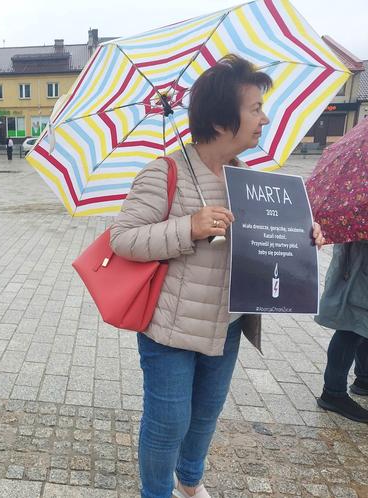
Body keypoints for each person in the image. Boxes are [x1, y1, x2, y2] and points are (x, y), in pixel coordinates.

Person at [110, 54, 325, 498]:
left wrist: (303, 237)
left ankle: (189, 481)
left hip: (225, 326)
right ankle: (156, 493)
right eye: (254, 109)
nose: (264, 118)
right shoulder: (165, 172)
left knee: (206, 415)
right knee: (168, 421)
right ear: (222, 120)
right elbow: (123, 238)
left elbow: (265, 247)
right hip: (169, 329)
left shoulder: (249, 180)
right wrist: (188, 226)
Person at [315, 242, 368, 423]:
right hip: (358, 267)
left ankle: (364, 379)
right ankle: (333, 392)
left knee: (362, 325)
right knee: (351, 327)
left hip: (359, 261)